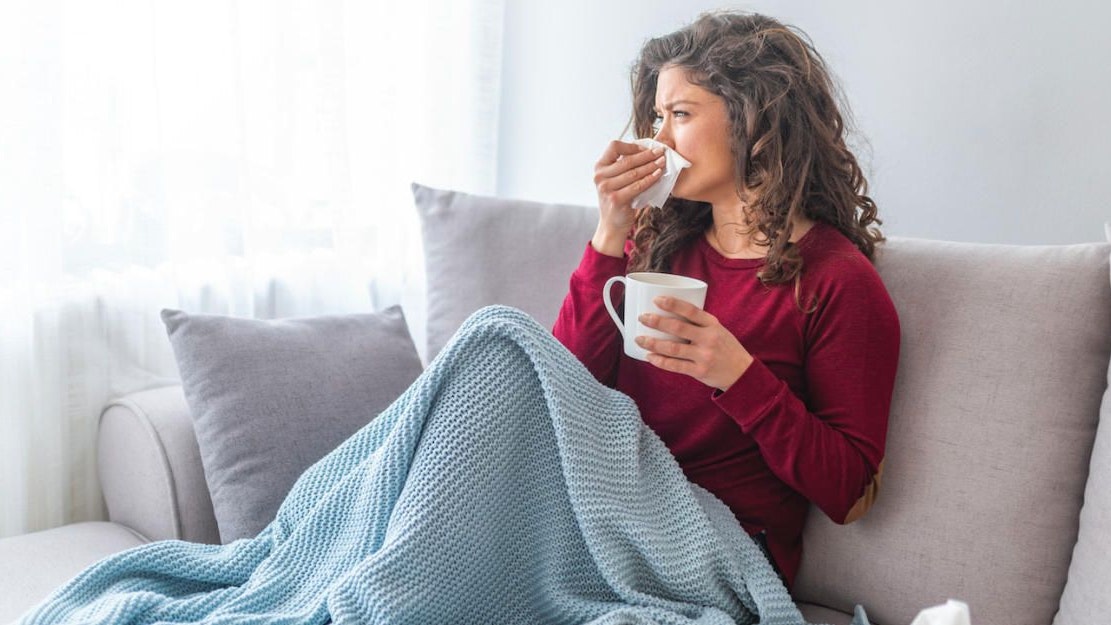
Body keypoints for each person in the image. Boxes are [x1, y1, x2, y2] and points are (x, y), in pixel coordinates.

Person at [553, 10, 901, 590]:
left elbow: (850, 493)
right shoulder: (659, 241)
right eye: (657, 117)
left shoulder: (836, 281)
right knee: (493, 342)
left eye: (680, 115)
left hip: (719, 552)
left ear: (755, 120)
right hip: (608, 518)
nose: (658, 140)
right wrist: (610, 233)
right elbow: (562, 387)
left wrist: (740, 376)